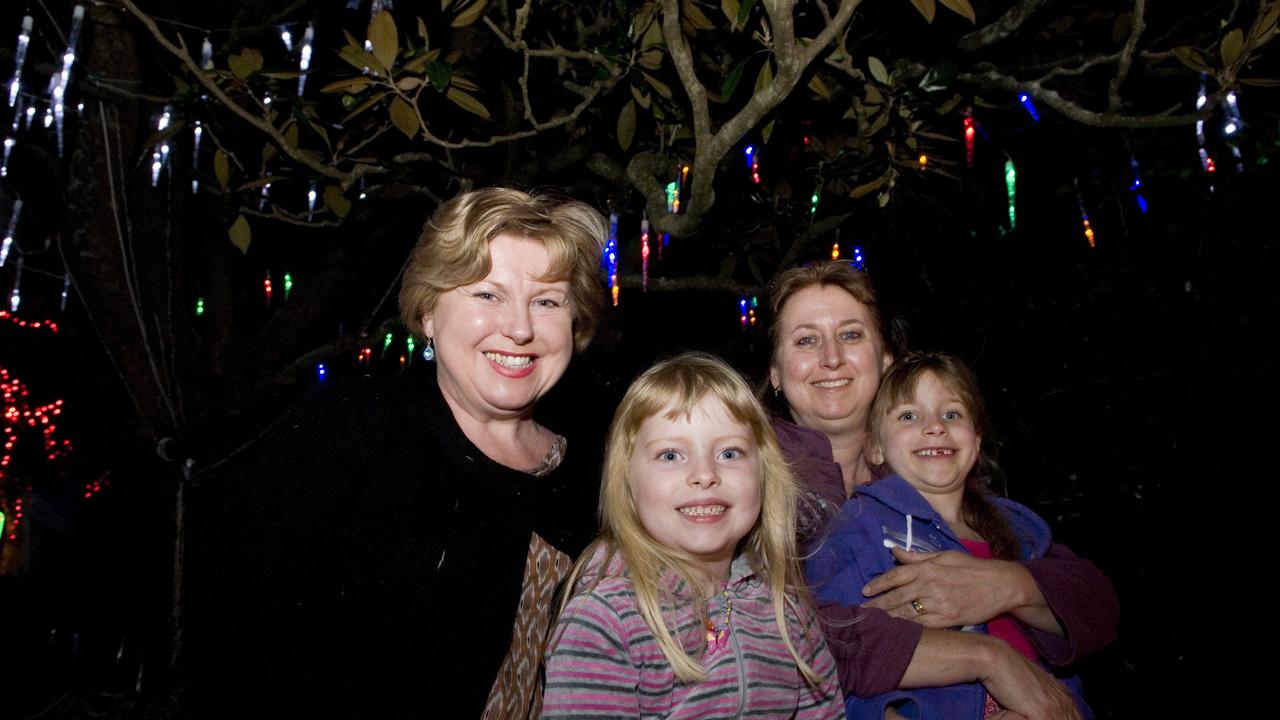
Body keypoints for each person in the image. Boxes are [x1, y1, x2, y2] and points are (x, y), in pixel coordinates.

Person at [185, 187, 609, 719]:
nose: (520, 328)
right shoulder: (344, 431)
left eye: (546, 301)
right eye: (486, 295)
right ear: (429, 312)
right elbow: (243, 635)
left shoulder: (604, 474)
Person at [765, 261, 1118, 719]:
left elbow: (1096, 605)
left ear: (886, 359)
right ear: (775, 372)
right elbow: (782, 637)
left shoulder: (941, 482)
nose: (831, 358)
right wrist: (986, 658)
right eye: (806, 340)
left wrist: (1008, 585)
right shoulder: (746, 479)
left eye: (851, 335)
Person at [542, 352, 844, 719]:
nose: (704, 474)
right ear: (627, 481)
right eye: (670, 455)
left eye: (730, 452)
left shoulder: (786, 610)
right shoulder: (605, 621)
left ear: (764, 474)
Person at [806, 352, 1092, 719]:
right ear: (874, 447)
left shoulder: (1020, 530)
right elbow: (836, 659)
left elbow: (1089, 606)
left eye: (952, 414)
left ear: (976, 440)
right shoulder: (860, 526)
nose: (935, 426)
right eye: (909, 416)